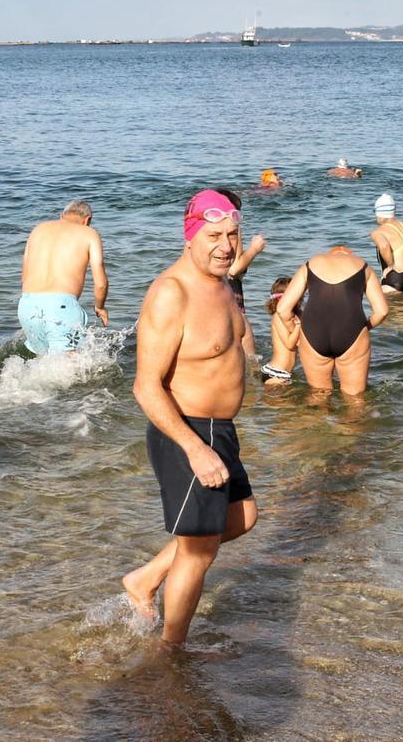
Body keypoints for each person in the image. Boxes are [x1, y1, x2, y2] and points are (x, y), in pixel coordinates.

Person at [122, 189, 257, 645]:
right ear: (191, 235)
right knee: (198, 553)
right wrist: (195, 448)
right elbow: (146, 386)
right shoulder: (170, 294)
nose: (226, 245)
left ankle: (145, 578)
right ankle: (172, 653)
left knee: (243, 517)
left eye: (233, 235)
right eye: (215, 235)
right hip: (187, 431)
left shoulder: (222, 283)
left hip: (221, 430)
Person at [277, 246, 389, 395]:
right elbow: (382, 311)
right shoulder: (362, 265)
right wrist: (364, 327)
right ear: (349, 254)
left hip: (313, 332)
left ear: (329, 254)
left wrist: (296, 331)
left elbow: (283, 309)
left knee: (319, 395)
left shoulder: (311, 263)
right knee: (354, 399)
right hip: (351, 330)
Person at [18, 199, 109, 354]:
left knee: (43, 364)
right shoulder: (89, 233)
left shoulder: (38, 229)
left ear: (62, 215)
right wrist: (100, 307)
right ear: (87, 220)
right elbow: (100, 283)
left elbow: (24, 276)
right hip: (60, 308)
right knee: (67, 368)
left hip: (27, 305)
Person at [216, 188, 265, 356]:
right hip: (232, 299)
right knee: (247, 360)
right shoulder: (232, 228)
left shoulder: (204, 231)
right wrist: (254, 249)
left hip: (211, 297)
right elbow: (234, 269)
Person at [261, 276, 300, 384]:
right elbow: (289, 344)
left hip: (284, 373)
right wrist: (298, 326)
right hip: (275, 373)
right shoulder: (278, 317)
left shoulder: (296, 315)